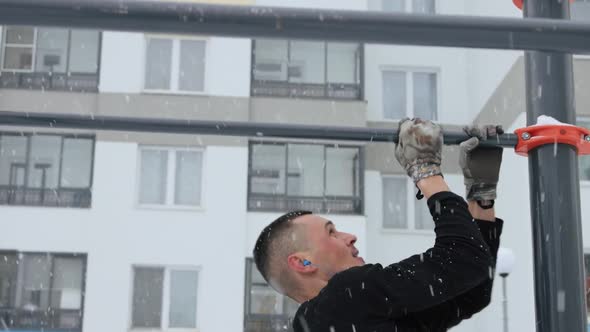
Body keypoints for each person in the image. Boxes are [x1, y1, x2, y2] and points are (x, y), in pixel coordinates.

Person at [252, 118, 504, 332]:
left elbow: (469, 293)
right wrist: (425, 172)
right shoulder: (343, 299)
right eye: (331, 232)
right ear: (303, 263)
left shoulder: (341, 316)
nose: (349, 236)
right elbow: (464, 263)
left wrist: (481, 197)